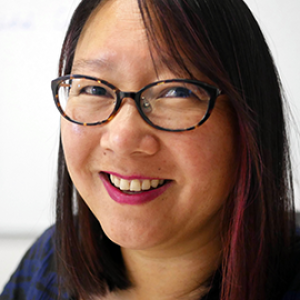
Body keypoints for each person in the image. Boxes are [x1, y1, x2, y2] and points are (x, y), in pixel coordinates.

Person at [1, 0, 300, 299]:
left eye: (177, 91)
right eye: (94, 89)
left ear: (247, 120)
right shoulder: (48, 263)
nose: (121, 138)